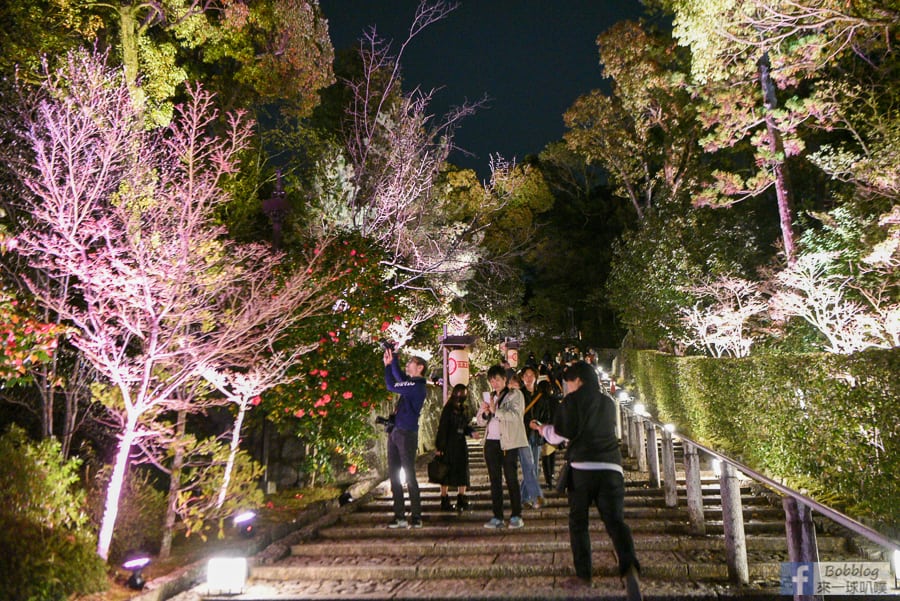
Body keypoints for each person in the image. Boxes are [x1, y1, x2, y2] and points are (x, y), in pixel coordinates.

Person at [530, 361, 642, 600]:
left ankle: (584, 575)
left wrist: (542, 430)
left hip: (582, 469)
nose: (566, 386)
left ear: (578, 380)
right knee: (615, 521)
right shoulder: (607, 402)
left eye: (568, 381)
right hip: (612, 467)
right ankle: (629, 565)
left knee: (578, 523)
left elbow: (559, 435)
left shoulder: (571, 401)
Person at [477, 364, 528, 529]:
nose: (495, 383)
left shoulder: (515, 395)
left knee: (511, 479)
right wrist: (485, 412)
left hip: (508, 443)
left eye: (497, 379)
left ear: (505, 379)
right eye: (492, 380)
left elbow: (515, 415)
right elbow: (480, 420)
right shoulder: (489, 397)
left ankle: (516, 515)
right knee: (495, 481)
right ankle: (497, 516)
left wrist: (495, 410)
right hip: (491, 442)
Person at [383, 346, 428, 529]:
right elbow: (400, 377)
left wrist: (388, 367)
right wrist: (392, 357)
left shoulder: (417, 386)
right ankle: (399, 515)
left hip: (407, 433)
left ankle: (416, 516)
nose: (408, 365)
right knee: (394, 475)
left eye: (412, 363)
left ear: (420, 368)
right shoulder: (410, 384)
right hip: (395, 431)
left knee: (409, 474)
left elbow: (392, 385)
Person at [434, 383, 478, 511]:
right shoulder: (448, 409)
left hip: (460, 443)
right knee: (445, 471)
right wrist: (439, 447)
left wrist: (470, 432)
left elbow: (464, 426)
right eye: (459, 393)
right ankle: (444, 499)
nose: (461, 396)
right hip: (448, 444)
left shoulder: (463, 409)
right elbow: (442, 428)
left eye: (463, 393)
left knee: (462, 469)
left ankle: (461, 497)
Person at [517, 367, 547, 508]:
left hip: (537, 434)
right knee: (530, 467)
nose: (529, 378)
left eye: (531, 375)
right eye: (526, 375)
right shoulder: (518, 394)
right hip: (523, 434)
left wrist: (540, 424)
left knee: (534, 467)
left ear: (536, 377)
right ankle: (527, 497)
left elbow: (545, 413)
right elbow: (515, 416)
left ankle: (523, 497)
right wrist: (527, 423)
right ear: (522, 378)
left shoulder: (540, 394)